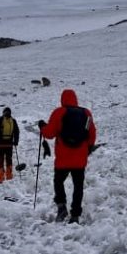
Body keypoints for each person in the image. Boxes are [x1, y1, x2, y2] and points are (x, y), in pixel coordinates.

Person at [38, 88, 96, 223]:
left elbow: (49, 134)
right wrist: (87, 148)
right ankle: (75, 215)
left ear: (62, 99)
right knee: (78, 186)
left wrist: (42, 126)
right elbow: (91, 134)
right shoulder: (86, 113)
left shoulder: (59, 112)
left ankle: (61, 206)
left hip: (63, 159)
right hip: (80, 159)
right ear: (75, 99)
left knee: (58, 182)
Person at [0, 107, 20, 183]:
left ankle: (0, 179)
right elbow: (17, 132)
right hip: (9, 145)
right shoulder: (13, 121)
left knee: (0, 161)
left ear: (3, 112)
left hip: (0, 145)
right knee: (9, 160)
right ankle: (9, 177)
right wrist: (16, 141)